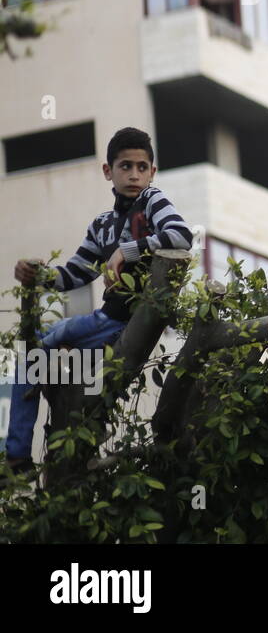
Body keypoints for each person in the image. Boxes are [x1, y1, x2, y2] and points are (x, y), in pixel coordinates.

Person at [5, 127, 193, 473]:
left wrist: (128, 250)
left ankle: (18, 453)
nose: (134, 174)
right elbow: (73, 275)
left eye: (141, 167)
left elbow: (181, 236)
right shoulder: (102, 224)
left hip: (123, 322)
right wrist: (37, 275)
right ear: (108, 171)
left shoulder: (153, 202)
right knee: (43, 362)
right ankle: (22, 454)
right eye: (125, 166)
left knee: (37, 352)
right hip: (105, 324)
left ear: (153, 171)